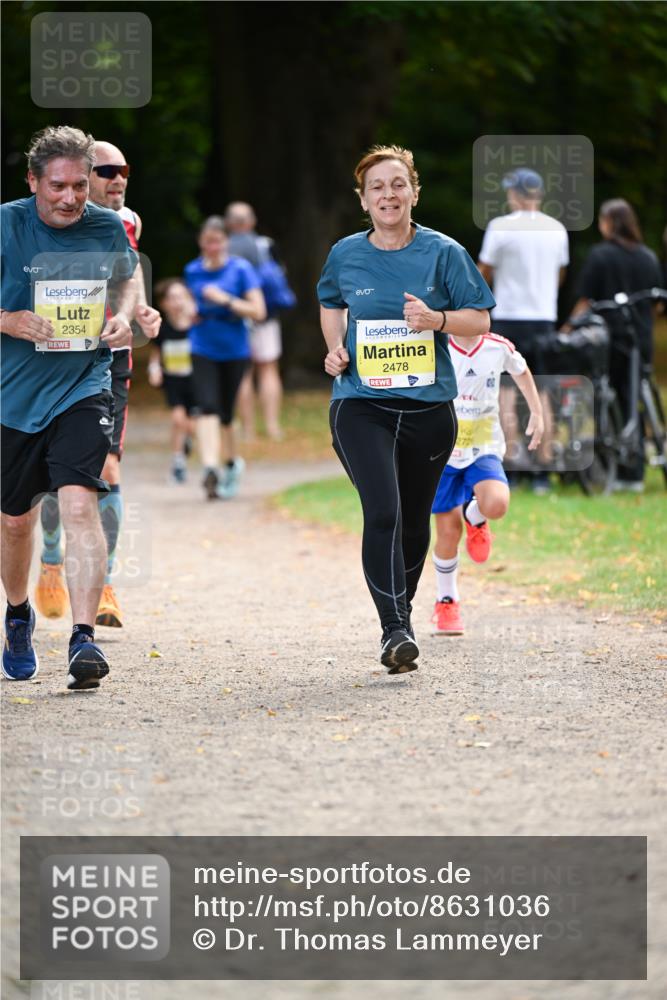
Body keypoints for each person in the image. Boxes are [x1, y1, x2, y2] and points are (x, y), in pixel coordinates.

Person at [317, 145, 495, 674]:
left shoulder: (444, 253)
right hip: (361, 404)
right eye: (377, 187)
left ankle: (402, 614)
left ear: (414, 192)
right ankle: (394, 628)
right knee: (385, 511)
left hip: (428, 408)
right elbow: (331, 303)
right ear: (363, 199)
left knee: (416, 524)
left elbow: (480, 320)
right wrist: (335, 348)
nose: (388, 195)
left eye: (398, 184)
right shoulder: (346, 254)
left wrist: (437, 320)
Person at [1, 126, 140, 690]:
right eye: (57, 186)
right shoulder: (7, 224)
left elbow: (128, 282)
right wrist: (7, 321)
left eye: (80, 186)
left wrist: (124, 315)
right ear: (33, 181)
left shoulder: (105, 226)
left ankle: (84, 638)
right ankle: (17, 614)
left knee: (81, 504)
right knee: (15, 523)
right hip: (13, 396)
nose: (69, 198)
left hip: (84, 385)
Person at [34, 139, 160, 629]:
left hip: (108, 359)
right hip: (49, 357)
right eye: (107, 170)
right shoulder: (42, 219)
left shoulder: (127, 221)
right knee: (49, 480)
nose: (118, 178)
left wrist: (140, 311)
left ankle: (103, 583)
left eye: (123, 168)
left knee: (106, 468)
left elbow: (130, 274)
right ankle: (49, 555)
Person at [431, 332, 544, 636]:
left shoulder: (498, 346)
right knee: (447, 532)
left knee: (496, 503)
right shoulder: (435, 343)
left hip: (484, 448)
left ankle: (476, 516)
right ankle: (447, 600)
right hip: (442, 451)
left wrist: (536, 410)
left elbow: (521, 369)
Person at [478, 168, 569, 494]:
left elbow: (483, 274)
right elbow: (559, 275)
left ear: (515, 194)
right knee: (541, 392)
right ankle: (542, 470)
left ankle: (512, 467)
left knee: (505, 393)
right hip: (543, 317)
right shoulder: (557, 229)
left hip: (508, 317)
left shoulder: (500, 228)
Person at [568, 199, 663, 492]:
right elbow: (657, 306)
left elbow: (585, 301)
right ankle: (633, 472)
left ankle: (602, 464)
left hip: (607, 340)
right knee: (634, 400)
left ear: (609, 222)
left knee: (604, 399)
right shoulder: (648, 257)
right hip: (640, 340)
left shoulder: (601, 256)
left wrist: (569, 328)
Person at [184, 216, 266, 499]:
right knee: (207, 406)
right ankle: (210, 468)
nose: (213, 247)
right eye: (208, 242)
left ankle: (232, 463)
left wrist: (225, 299)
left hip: (234, 348)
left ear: (226, 242)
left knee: (227, 414)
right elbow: (187, 305)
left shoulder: (240, 270)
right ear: (201, 243)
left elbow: (259, 311)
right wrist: (188, 311)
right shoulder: (192, 271)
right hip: (201, 346)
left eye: (218, 241)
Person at [225, 201, 293, 441]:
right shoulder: (266, 245)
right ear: (251, 221)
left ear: (229, 223)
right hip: (266, 316)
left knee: (243, 373)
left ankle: (248, 430)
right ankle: (273, 427)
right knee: (268, 369)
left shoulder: (222, 247)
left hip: (234, 318)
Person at [148, 278, 199, 483]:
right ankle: (178, 462)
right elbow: (156, 353)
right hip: (173, 380)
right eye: (171, 298)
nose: (177, 302)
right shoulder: (162, 328)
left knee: (193, 426)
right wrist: (154, 369)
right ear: (164, 303)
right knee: (178, 420)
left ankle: (188, 441)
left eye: (181, 297)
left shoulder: (197, 325)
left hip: (196, 380)